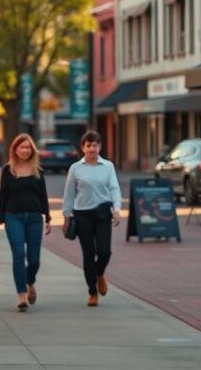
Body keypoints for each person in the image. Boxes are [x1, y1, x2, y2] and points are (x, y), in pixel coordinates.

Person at [62, 130, 122, 307]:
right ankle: (92, 292)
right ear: (83, 147)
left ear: (100, 147)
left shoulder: (108, 166)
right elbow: (69, 194)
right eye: (88, 145)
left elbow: (114, 188)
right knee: (88, 254)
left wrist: (117, 209)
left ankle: (99, 273)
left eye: (95, 145)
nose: (92, 149)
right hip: (83, 215)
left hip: (103, 213)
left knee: (104, 252)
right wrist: (67, 216)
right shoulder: (75, 168)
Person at [0, 134, 51, 311]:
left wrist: (47, 217)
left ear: (32, 150)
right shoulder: (8, 170)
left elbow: (43, 196)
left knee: (34, 260)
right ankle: (22, 295)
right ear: (15, 150)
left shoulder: (38, 171)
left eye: (28, 147)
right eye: (22, 147)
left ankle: (30, 281)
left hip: (34, 218)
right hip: (13, 217)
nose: (25, 150)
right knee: (19, 255)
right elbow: (3, 194)